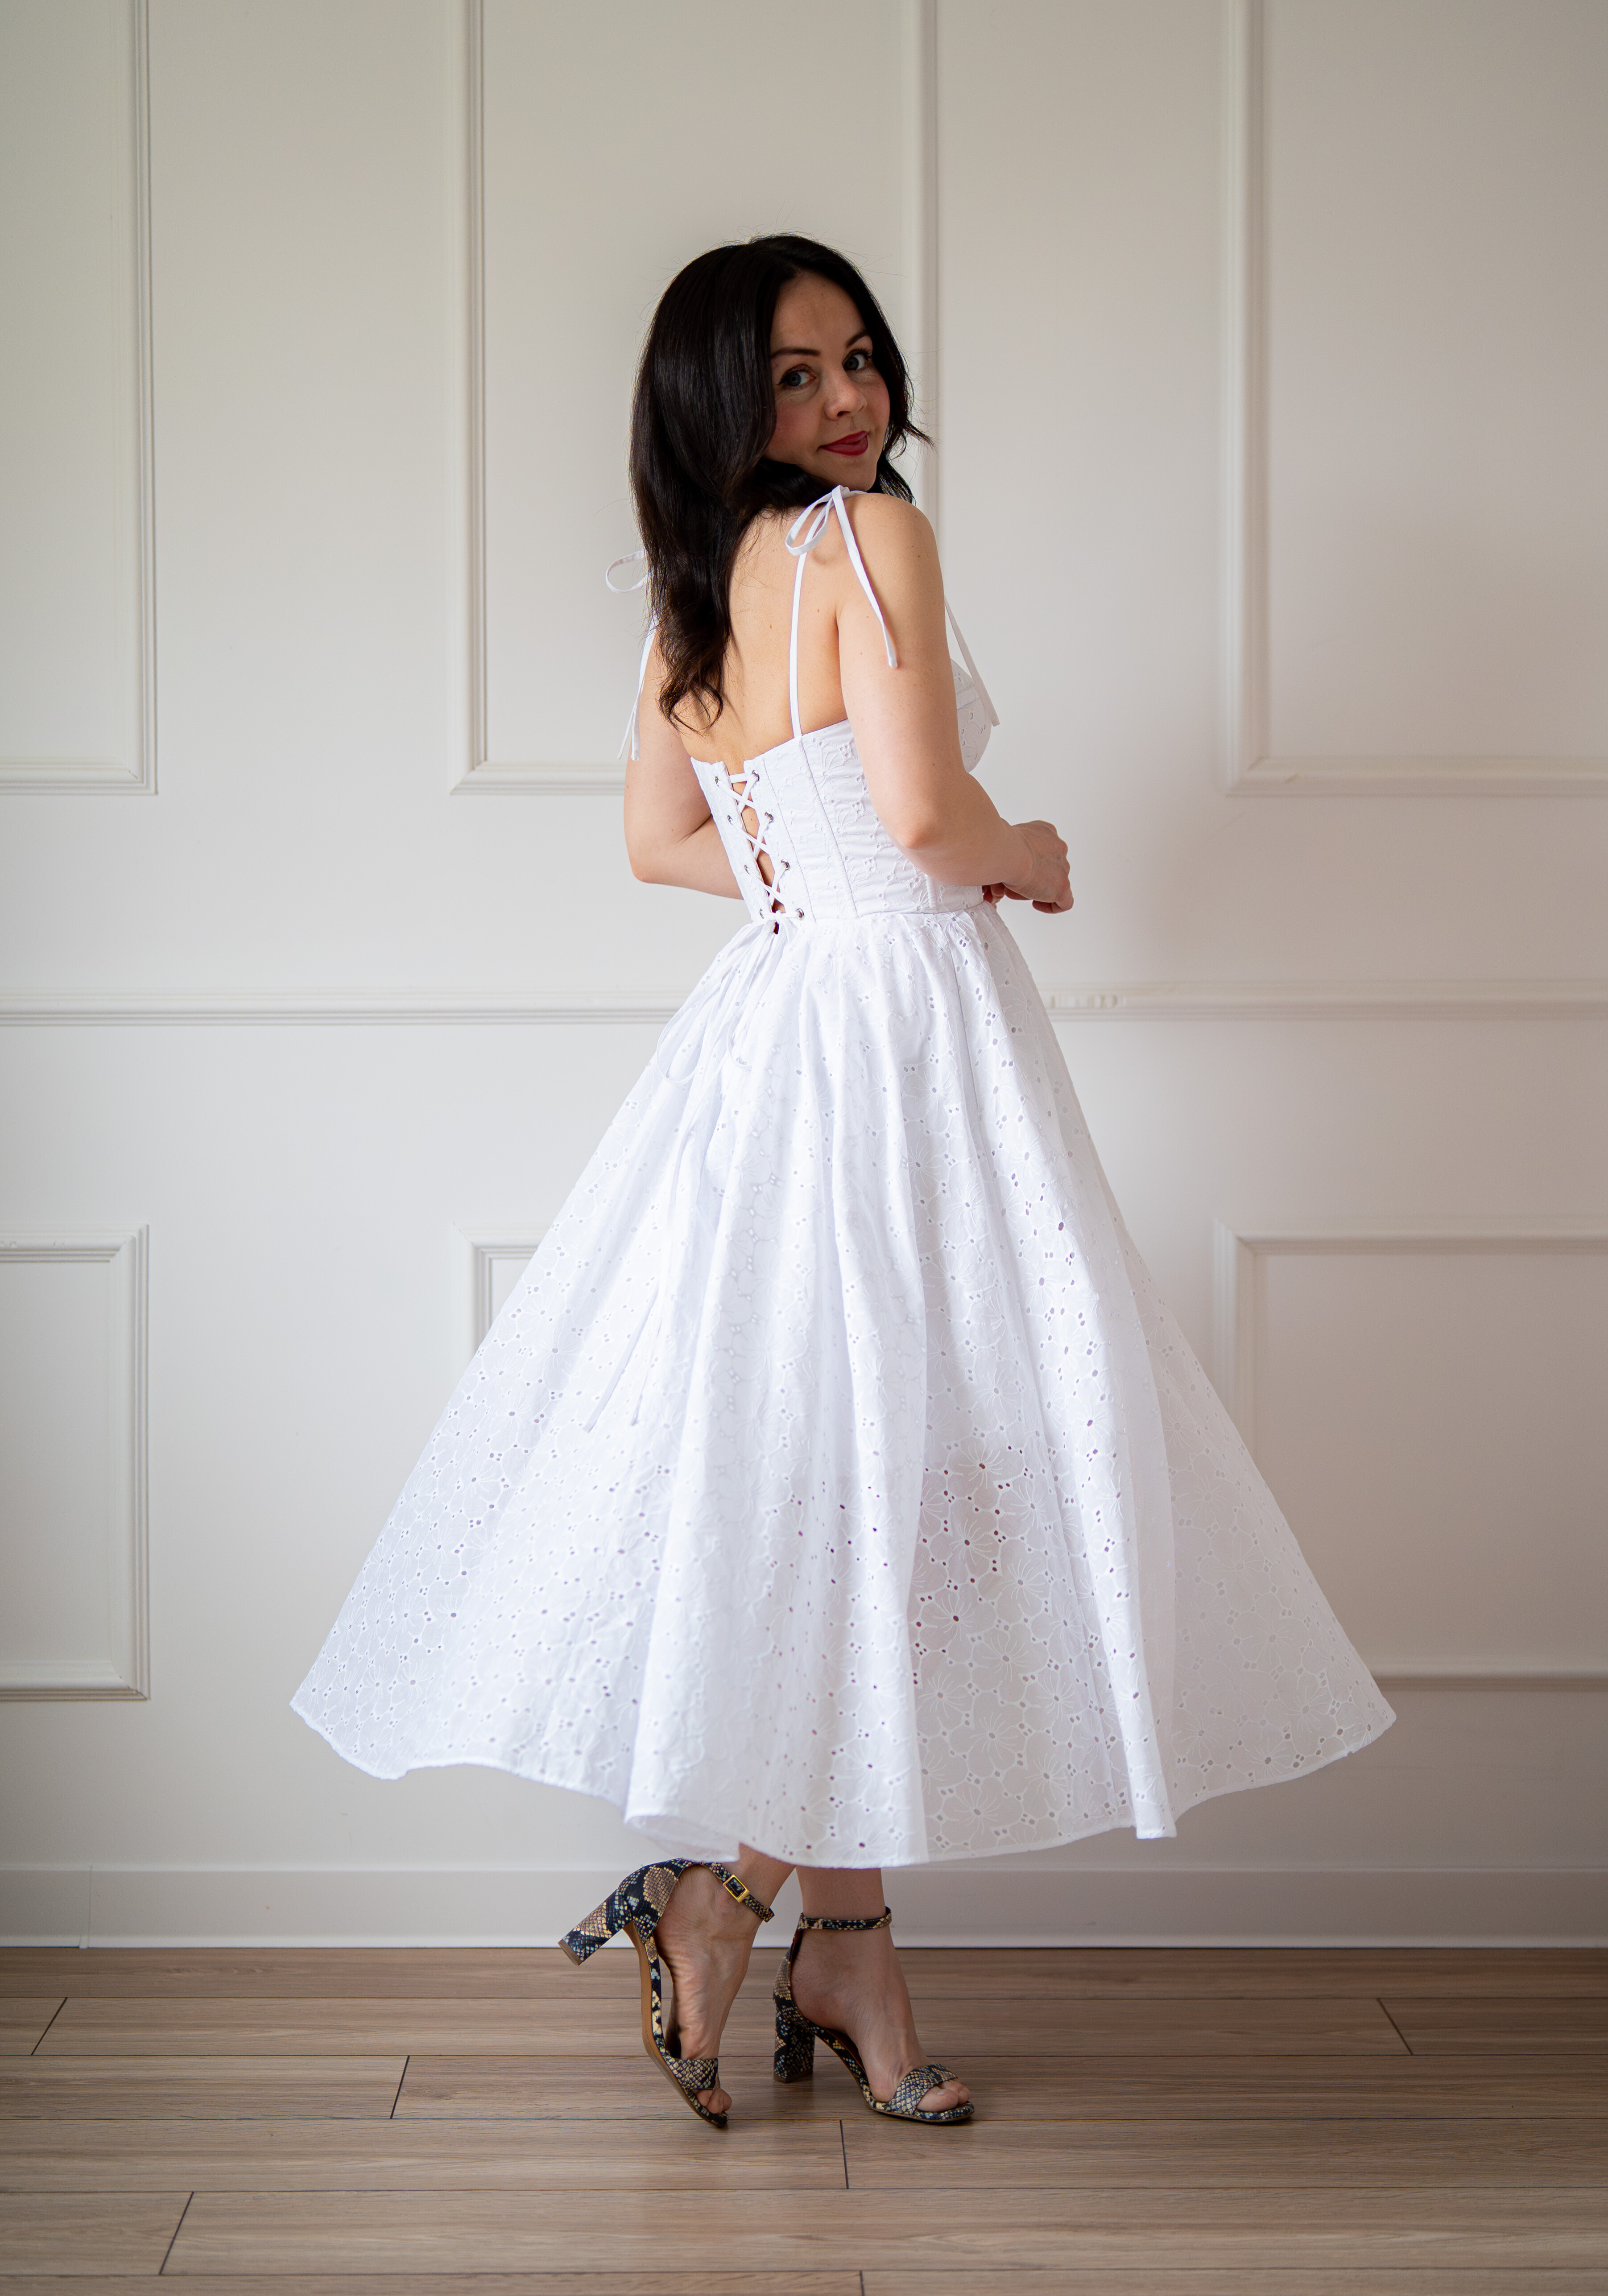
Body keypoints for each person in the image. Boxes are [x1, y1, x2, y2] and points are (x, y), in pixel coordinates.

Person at [293, 233, 1392, 2132]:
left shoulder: (695, 591)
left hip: (780, 1030)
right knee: (928, 1476)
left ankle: (824, 1927)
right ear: (722, 400)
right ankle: (756, 1904)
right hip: (905, 1044)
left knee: (878, 1483)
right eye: (794, 374)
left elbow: (662, 839)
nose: (846, 399)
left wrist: (822, 883)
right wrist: (1023, 852)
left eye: (859, 357)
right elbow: (924, 813)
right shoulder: (872, 539)